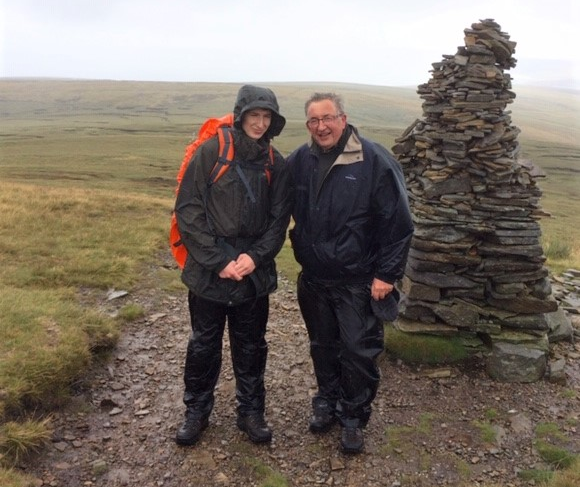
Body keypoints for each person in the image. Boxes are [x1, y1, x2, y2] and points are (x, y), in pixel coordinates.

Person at [287, 92, 414, 454]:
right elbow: (275, 202)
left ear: (343, 119)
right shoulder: (300, 160)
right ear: (308, 125)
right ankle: (326, 400)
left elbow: (399, 223)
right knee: (322, 345)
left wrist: (387, 275)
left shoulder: (374, 159)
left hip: (358, 281)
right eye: (314, 121)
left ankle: (354, 417)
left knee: (358, 351)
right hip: (314, 278)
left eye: (328, 118)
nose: (321, 127)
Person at [174, 85, 292, 446]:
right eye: (254, 115)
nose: (259, 123)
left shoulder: (276, 163)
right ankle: (196, 412)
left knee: (251, 345)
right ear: (241, 116)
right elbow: (188, 210)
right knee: (203, 345)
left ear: (273, 121)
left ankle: (251, 413)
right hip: (211, 273)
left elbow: (278, 221)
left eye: (266, 117)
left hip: (251, 275)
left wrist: (254, 258)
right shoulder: (212, 151)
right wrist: (218, 261)